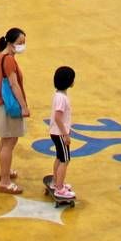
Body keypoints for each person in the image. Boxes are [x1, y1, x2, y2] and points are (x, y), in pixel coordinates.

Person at [0, 27, 29, 194]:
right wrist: (24, 106)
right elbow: (14, 85)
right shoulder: (8, 60)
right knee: (9, 143)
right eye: (19, 43)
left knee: (4, 140)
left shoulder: (2, 56)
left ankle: (4, 172)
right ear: (10, 43)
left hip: (1, 103)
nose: (22, 45)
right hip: (10, 106)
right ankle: (5, 182)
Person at [44, 65, 78, 203]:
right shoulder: (62, 99)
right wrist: (66, 134)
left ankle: (55, 181)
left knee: (59, 157)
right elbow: (58, 117)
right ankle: (59, 187)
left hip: (55, 132)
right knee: (65, 159)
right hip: (60, 133)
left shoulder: (59, 95)